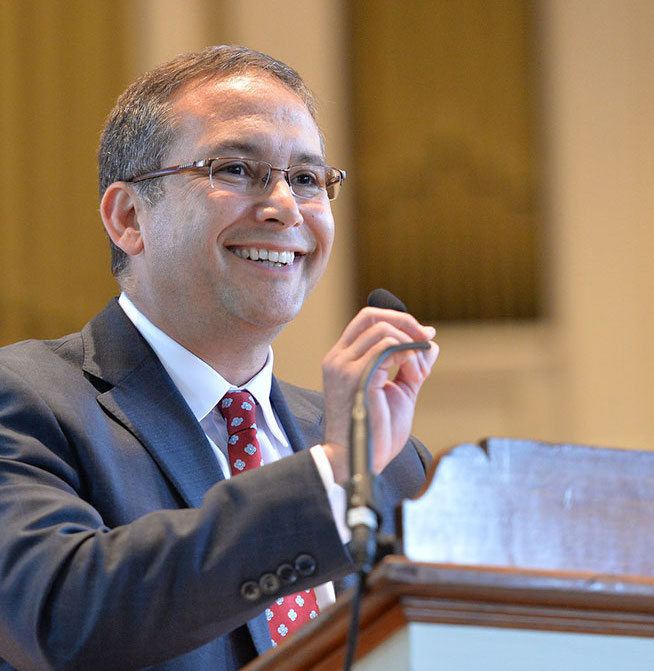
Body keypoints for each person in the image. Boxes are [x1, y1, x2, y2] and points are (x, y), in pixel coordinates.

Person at [0, 45, 438, 671]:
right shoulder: (26, 401)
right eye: (235, 168)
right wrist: (330, 481)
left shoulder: (393, 462)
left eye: (308, 179)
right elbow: (62, 617)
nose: (285, 206)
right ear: (129, 218)